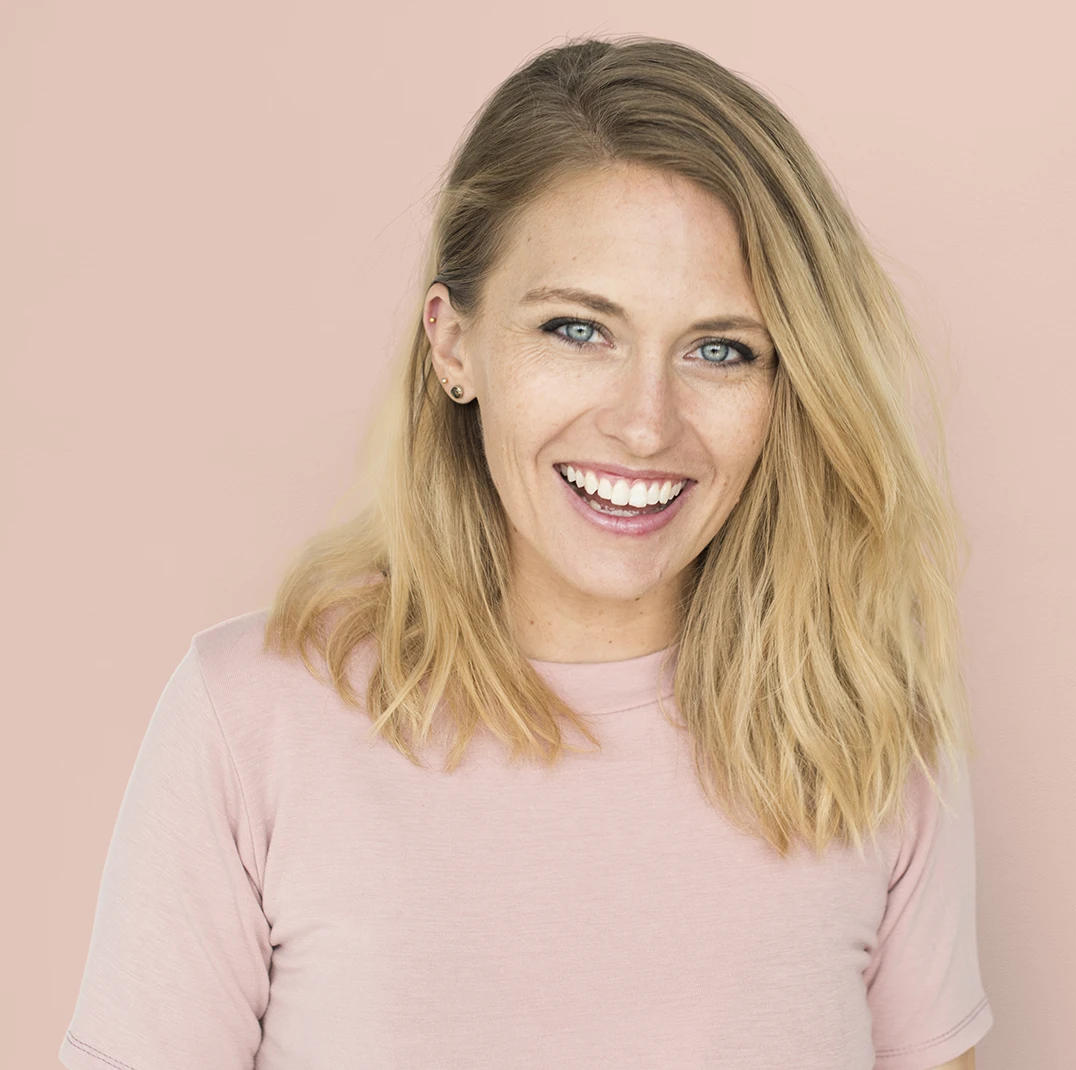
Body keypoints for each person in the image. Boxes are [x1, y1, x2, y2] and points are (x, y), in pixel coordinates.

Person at [59, 34, 992, 1070]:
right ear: (453, 344)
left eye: (719, 349)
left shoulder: (864, 740)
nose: (645, 423)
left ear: (786, 386)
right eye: (576, 330)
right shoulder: (250, 722)